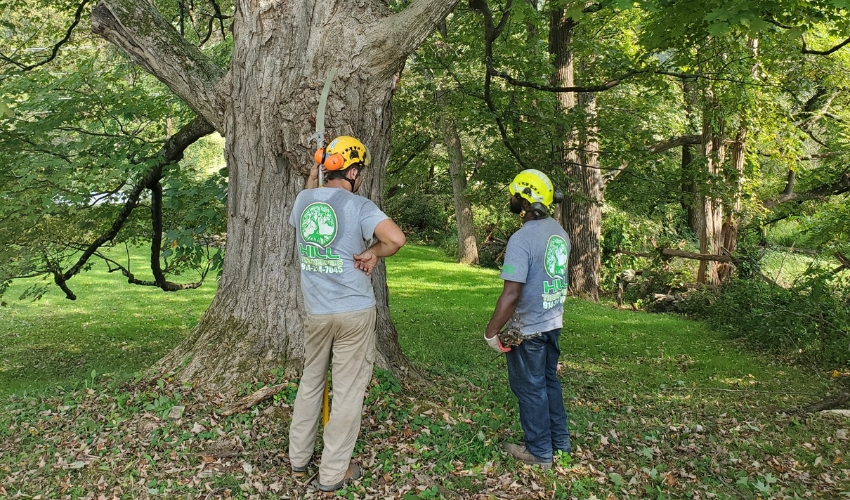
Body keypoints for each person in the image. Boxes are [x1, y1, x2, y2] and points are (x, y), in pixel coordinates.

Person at [287, 135, 406, 491]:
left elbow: (307, 200)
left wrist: (314, 174)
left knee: (311, 383)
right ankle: (333, 472)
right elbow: (396, 239)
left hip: (317, 312)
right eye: (361, 171)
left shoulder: (303, 201)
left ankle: (298, 459)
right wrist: (373, 251)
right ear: (352, 170)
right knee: (348, 391)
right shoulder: (360, 206)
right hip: (354, 311)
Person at [484, 169, 571, 470]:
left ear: (525, 198)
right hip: (553, 322)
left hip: (529, 329)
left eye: (514, 194)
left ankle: (538, 452)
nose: (510, 198)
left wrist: (491, 332)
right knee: (549, 382)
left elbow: (511, 294)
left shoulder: (521, 239)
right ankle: (560, 444)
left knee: (530, 387)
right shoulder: (559, 233)